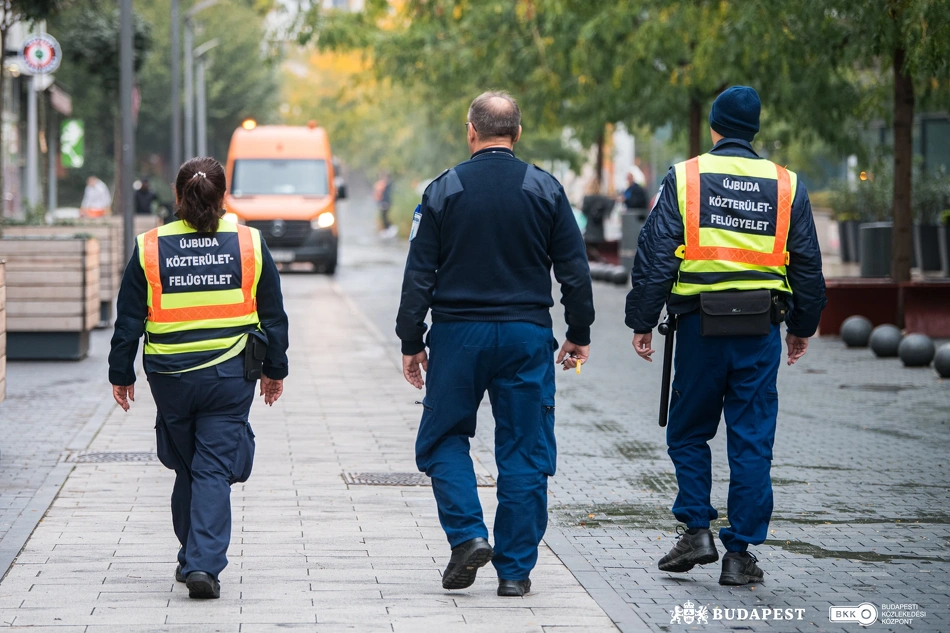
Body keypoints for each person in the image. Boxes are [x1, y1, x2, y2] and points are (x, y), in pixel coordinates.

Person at [625, 86, 826, 586]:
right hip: (759, 331)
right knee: (752, 439)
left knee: (689, 430)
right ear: (753, 129)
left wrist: (642, 320)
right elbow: (806, 263)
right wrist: (802, 327)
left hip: (698, 329)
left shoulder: (687, 177)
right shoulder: (786, 185)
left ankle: (696, 529)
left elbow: (655, 254)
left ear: (715, 126)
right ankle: (740, 554)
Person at [396, 91, 595, 597]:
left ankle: (466, 537)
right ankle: (514, 572)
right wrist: (579, 332)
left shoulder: (443, 190)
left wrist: (411, 339)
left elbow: (419, 272)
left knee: (442, 438)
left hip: (459, 337)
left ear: (471, 131)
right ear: (517, 133)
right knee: (525, 450)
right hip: (527, 337)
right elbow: (574, 269)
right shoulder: (545, 189)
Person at [108, 156, 289, 600]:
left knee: (189, 465)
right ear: (223, 196)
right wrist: (274, 370)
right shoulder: (249, 242)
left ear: (177, 196)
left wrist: (120, 371)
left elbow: (129, 317)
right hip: (229, 376)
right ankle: (202, 563)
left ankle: (194, 557)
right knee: (209, 469)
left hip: (170, 378)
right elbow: (274, 315)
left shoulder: (150, 246)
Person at [373, 172, 396, 238]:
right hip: (381, 202)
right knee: (383, 216)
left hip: (384, 203)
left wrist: (385, 202)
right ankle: (386, 229)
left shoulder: (386, 186)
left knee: (385, 216)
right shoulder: (382, 184)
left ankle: (389, 228)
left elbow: (386, 195)